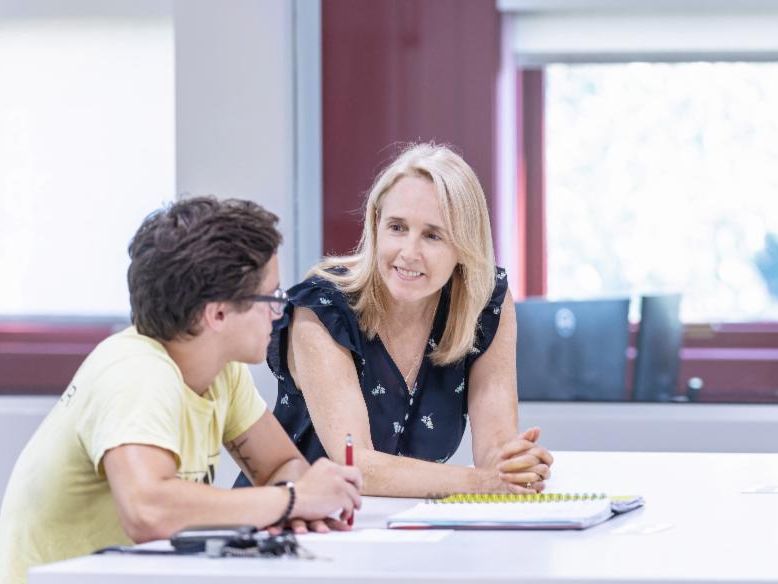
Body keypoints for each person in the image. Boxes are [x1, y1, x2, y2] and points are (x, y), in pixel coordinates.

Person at [0, 197, 362, 584]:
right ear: (218, 313)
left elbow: (279, 467)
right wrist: (293, 500)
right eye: (272, 297)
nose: (278, 313)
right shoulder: (136, 372)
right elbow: (148, 511)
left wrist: (295, 503)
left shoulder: (221, 371)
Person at [235, 143, 553, 496]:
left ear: (464, 246)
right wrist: (485, 483)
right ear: (375, 225)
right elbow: (357, 465)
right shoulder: (322, 308)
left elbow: (495, 453)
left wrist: (515, 466)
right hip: (290, 526)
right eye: (397, 228)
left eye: (433, 235)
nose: (409, 253)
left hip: (398, 529)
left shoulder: (483, 302)